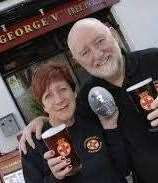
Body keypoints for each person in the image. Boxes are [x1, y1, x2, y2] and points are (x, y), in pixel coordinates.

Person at [20, 18, 158, 183]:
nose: (98, 54)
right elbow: (65, 115)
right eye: (85, 52)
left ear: (113, 35)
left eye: (100, 41)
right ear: (78, 61)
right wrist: (42, 120)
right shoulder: (90, 98)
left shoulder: (153, 59)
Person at [21, 62, 129, 183]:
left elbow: (124, 168)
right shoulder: (34, 144)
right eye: (48, 96)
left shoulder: (92, 116)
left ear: (74, 92)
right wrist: (55, 178)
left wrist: (112, 129)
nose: (59, 100)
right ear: (44, 107)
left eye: (62, 89)